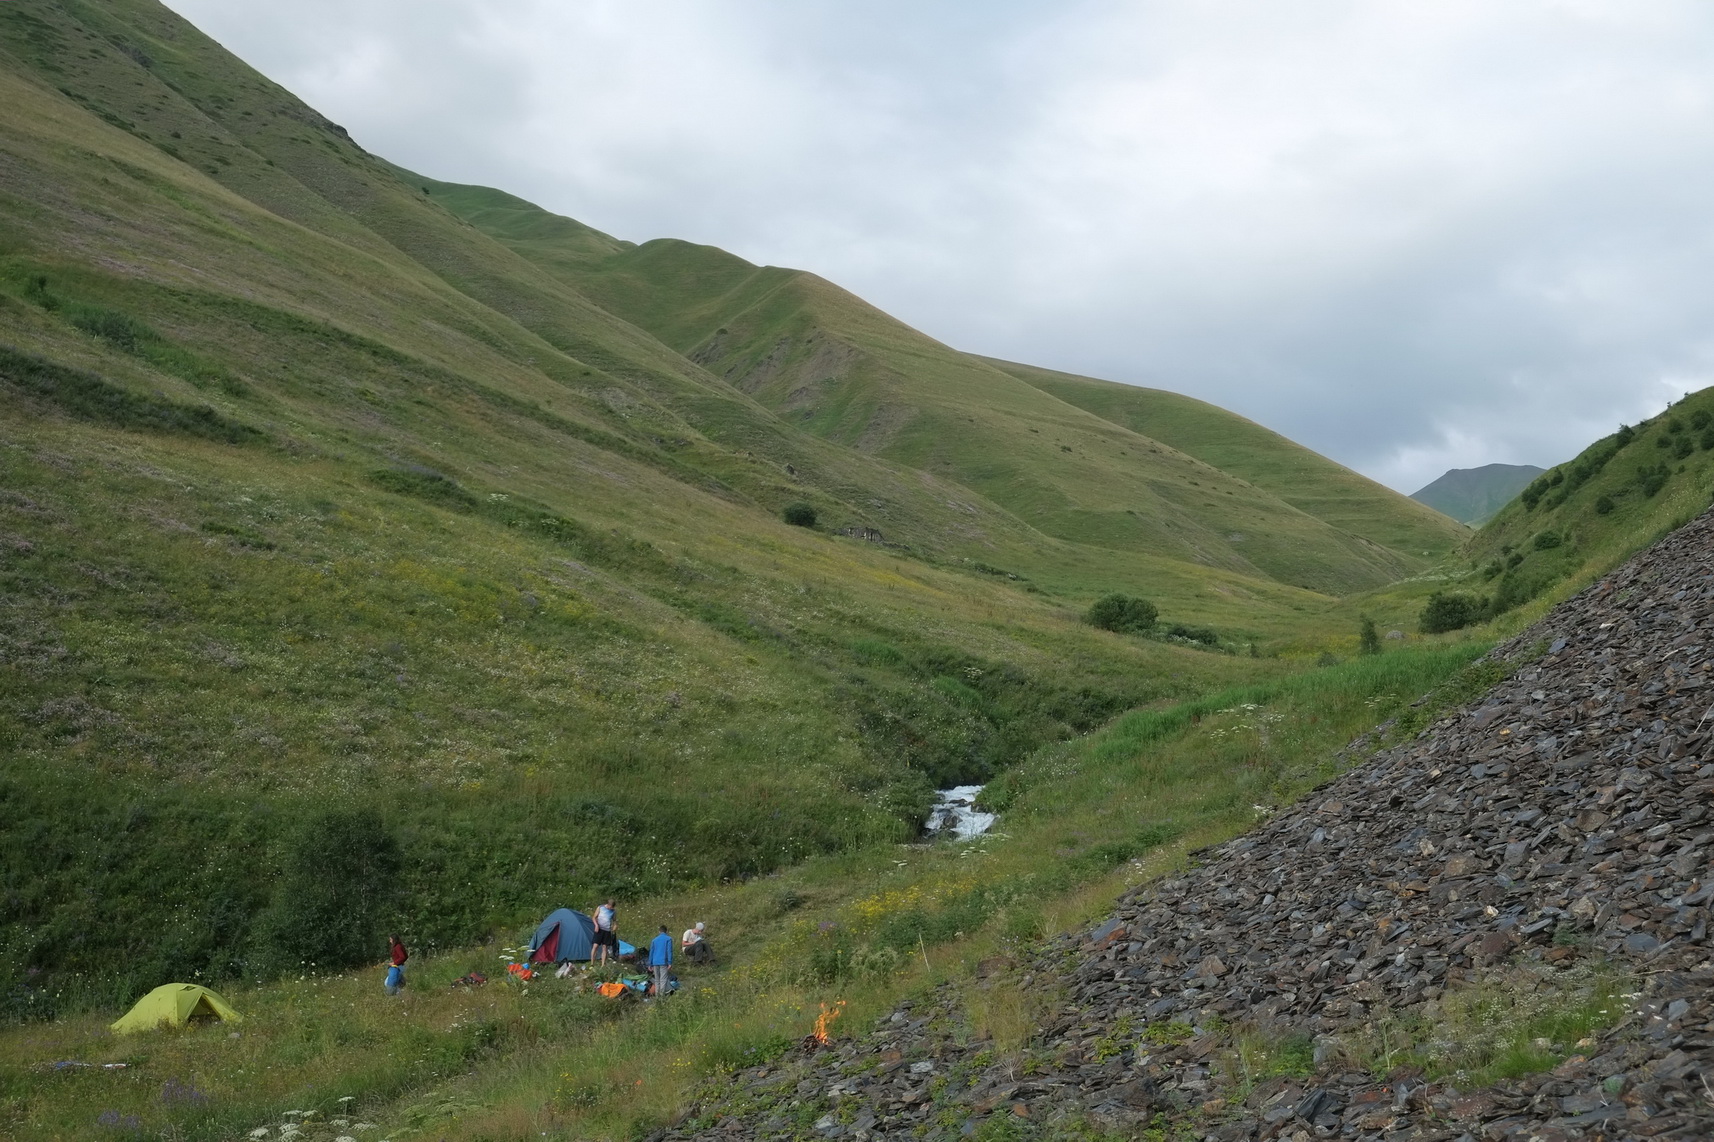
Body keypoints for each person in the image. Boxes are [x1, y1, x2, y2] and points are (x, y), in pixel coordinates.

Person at [648, 925, 673, 997]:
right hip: (663, 961)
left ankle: (657, 996)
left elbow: (651, 952)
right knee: (663, 980)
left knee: (657, 980)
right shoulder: (668, 939)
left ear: (659, 931)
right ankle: (662, 997)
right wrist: (670, 962)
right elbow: (669, 951)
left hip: (655, 962)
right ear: (666, 931)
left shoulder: (654, 940)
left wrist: (650, 964)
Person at [592, 899, 617, 966]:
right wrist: (596, 925)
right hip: (599, 929)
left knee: (604, 947)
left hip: (607, 931)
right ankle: (592, 963)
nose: (611, 908)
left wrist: (615, 926)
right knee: (595, 946)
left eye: (612, 907)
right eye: (610, 907)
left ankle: (603, 964)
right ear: (608, 905)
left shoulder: (613, 911)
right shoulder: (600, 907)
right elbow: (594, 917)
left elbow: (614, 921)